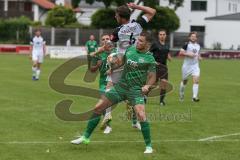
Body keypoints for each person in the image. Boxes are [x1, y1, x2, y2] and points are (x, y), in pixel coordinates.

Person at [71, 32, 156, 154]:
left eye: (141, 41)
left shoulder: (149, 58)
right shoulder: (131, 49)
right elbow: (122, 62)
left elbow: (153, 76)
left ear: (147, 44)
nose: (138, 42)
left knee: (141, 115)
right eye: (138, 40)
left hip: (135, 90)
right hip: (121, 87)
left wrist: (147, 85)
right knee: (98, 108)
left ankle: (149, 146)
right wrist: (113, 66)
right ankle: (85, 137)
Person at [92, 3, 156, 130]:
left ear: (121, 17)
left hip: (121, 62)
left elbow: (108, 46)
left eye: (116, 15)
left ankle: (108, 114)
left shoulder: (117, 31)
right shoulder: (138, 25)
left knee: (110, 87)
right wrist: (137, 7)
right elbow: (152, 11)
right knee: (136, 92)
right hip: (136, 63)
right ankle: (135, 121)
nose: (115, 17)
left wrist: (97, 52)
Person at [90, 34, 113, 134]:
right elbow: (91, 69)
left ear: (110, 40)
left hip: (116, 81)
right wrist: (96, 66)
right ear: (101, 42)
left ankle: (135, 121)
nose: (105, 40)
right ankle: (108, 126)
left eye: (107, 39)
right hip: (103, 82)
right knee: (104, 102)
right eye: (103, 39)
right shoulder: (98, 54)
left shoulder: (115, 52)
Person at [150, 29, 172, 106]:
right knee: (153, 85)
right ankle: (144, 96)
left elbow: (167, 52)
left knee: (164, 83)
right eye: (160, 34)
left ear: (166, 36)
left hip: (164, 67)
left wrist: (169, 57)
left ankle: (161, 101)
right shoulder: (155, 44)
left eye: (163, 34)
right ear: (158, 36)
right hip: (155, 67)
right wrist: (153, 61)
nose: (162, 36)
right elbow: (148, 54)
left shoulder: (167, 45)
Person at [179, 31, 202, 102]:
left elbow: (197, 54)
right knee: (184, 81)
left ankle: (194, 97)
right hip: (186, 66)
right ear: (189, 37)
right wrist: (188, 54)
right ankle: (181, 94)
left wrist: (199, 57)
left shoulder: (198, 46)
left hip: (195, 66)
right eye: (192, 36)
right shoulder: (186, 45)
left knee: (196, 81)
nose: (193, 38)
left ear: (196, 38)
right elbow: (180, 53)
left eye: (195, 36)